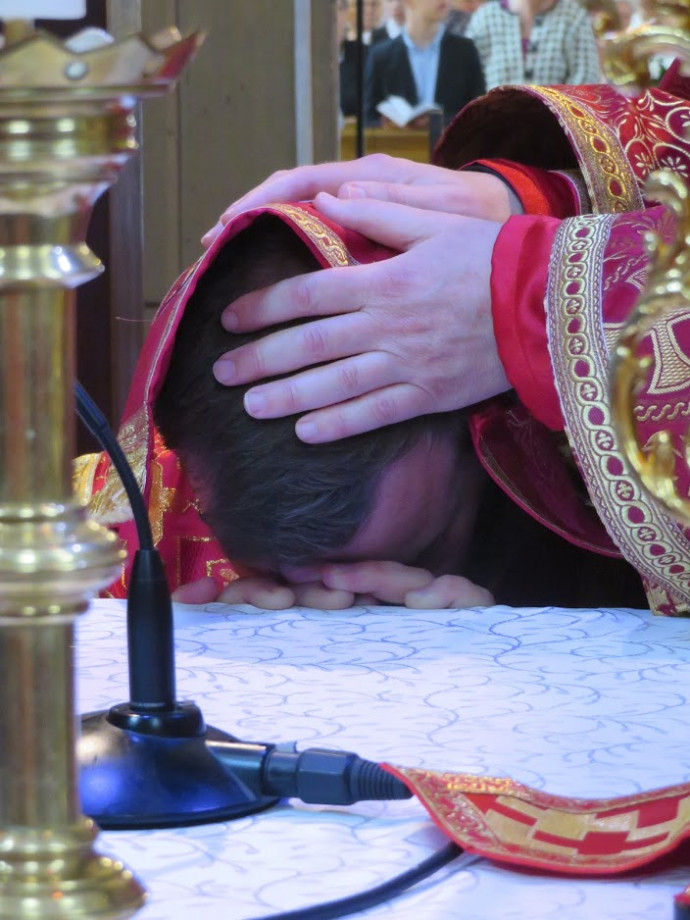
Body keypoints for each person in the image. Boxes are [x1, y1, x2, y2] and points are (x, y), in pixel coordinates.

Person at [198, 62, 690, 616]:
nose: (361, 606)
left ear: (500, 433)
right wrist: (550, 194)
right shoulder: (176, 559)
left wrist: (540, 291)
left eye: (428, 551)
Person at [364, 0, 485, 127]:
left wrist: (437, 122)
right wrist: (387, 126)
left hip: (453, 139)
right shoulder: (381, 56)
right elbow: (368, 120)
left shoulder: (465, 51)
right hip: (397, 140)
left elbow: (479, 114)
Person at [465, 0, 601, 90]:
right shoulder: (484, 20)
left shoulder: (574, 18)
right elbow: (467, 86)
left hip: (557, 124)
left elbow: (586, 86)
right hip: (492, 122)